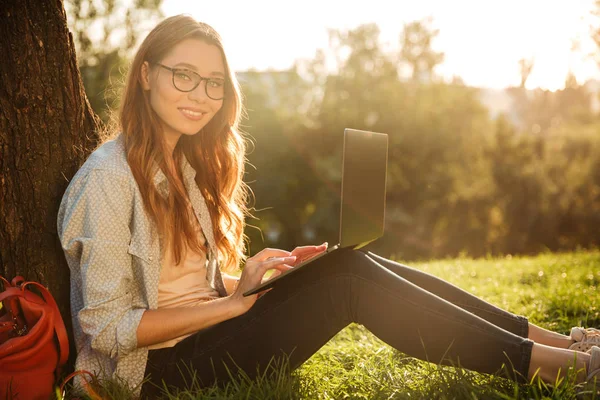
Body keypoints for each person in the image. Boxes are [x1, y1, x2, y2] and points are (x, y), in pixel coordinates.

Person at [57, 14, 600, 399]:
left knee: (346, 263)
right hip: (156, 373)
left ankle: (553, 345)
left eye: (214, 83)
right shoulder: (109, 178)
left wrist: (250, 278)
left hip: (206, 334)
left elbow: (182, 285)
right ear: (146, 75)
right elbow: (106, 328)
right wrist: (233, 306)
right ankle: (554, 369)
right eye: (184, 75)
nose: (200, 95)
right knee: (346, 283)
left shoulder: (186, 166)